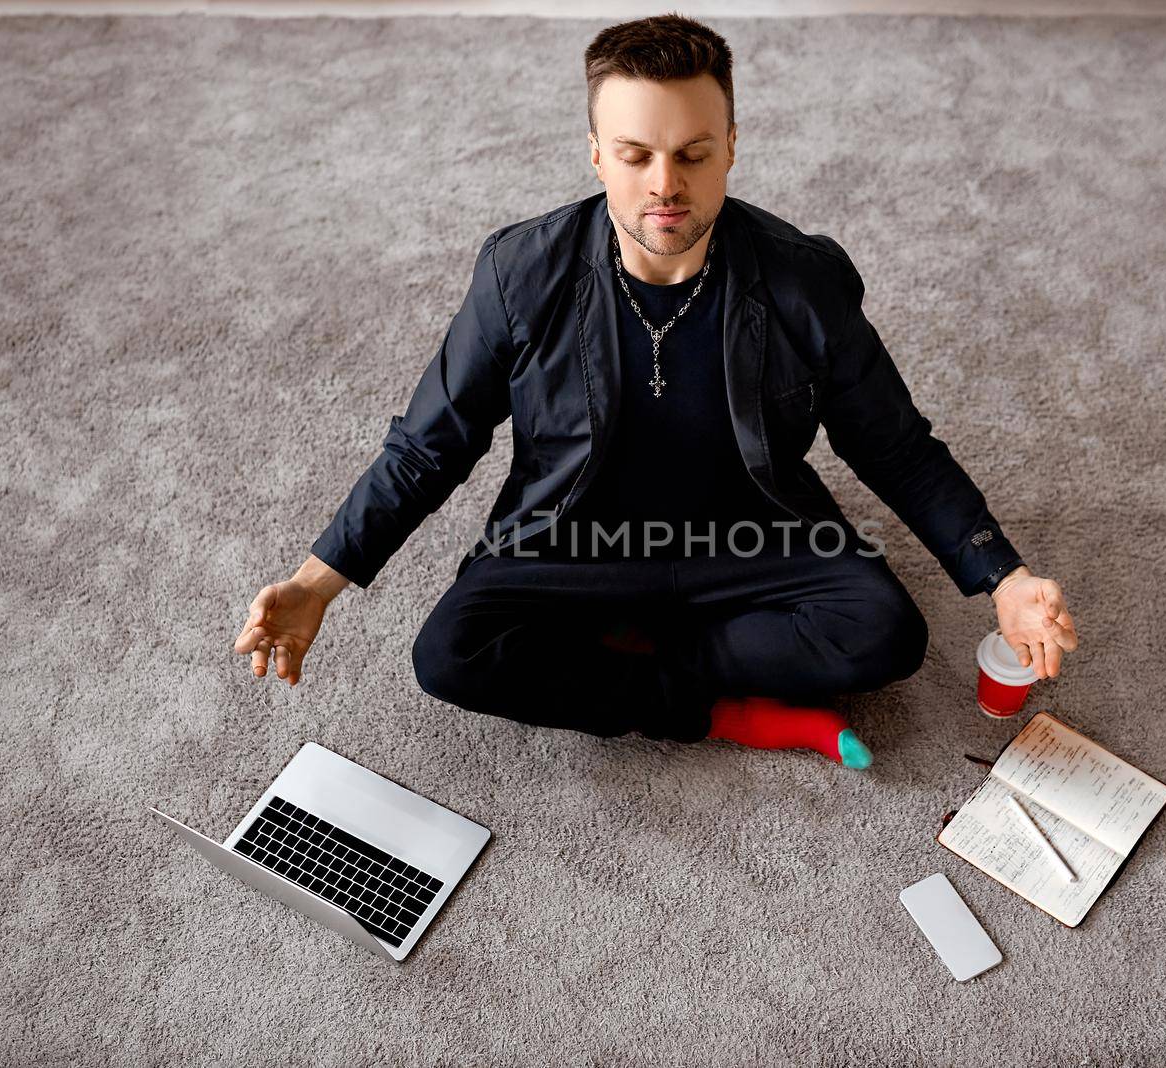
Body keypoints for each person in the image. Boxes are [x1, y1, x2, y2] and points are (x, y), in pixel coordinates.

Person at [233, 14, 1078, 768]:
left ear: (732, 147)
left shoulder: (804, 281)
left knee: (887, 635)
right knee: (451, 653)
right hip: (574, 539)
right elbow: (429, 443)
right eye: (635, 155)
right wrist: (316, 583)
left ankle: (638, 668)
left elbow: (893, 444)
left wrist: (1002, 577)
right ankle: (725, 710)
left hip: (752, 535)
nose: (664, 183)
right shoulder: (520, 273)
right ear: (597, 152)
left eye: (693, 154)